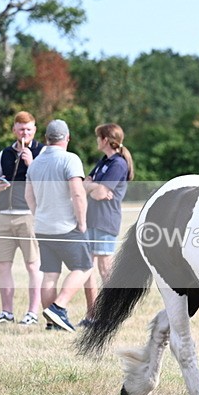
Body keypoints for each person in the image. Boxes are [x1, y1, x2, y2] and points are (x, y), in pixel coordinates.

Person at [25, 119, 92, 332]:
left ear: (46, 139)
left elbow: (28, 195)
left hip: (43, 226)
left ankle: (52, 324)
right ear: (67, 138)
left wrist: (39, 215)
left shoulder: (35, 163)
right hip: (66, 226)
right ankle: (59, 308)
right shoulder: (70, 159)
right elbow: (78, 193)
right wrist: (81, 222)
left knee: (50, 274)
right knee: (84, 267)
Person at [0, 111, 44, 326]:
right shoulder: (5, 154)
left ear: (34, 130)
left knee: (33, 266)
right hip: (3, 217)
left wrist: (32, 164)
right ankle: (6, 312)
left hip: (28, 217)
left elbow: (49, 183)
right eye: (21, 129)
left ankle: (32, 313)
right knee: (2, 266)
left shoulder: (42, 152)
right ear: (14, 130)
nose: (24, 133)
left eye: (28, 129)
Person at [81, 123, 134, 327]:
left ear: (105, 139)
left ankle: (111, 314)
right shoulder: (104, 161)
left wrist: (92, 187)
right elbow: (86, 184)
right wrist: (92, 186)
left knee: (105, 268)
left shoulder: (118, 164)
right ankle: (93, 314)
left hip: (105, 220)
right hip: (91, 218)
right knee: (86, 266)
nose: (97, 141)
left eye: (98, 137)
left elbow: (101, 192)